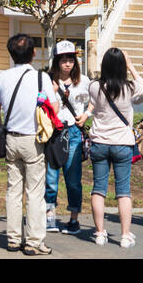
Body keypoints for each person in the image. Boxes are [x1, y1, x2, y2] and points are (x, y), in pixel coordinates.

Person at [0, 33, 54, 255]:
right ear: (33, 53)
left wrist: (0, 127)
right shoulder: (41, 78)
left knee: (13, 189)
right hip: (34, 139)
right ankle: (34, 241)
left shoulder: (2, 77)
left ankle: (13, 238)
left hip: (11, 137)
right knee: (35, 192)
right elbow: (53, 107)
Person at [86, 47, 143, 248]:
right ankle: (125, 235)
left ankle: (100, 233)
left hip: (100, 142)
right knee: (123, 191)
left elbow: (93, 105)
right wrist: (131, 66)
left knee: (98, 188)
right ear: (122, 66)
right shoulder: (129, 88)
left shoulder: (95, 86)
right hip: (122, 143)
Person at [46, 40, 89, 235]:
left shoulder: (84, 81)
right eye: (63, 59)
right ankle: (50, 215)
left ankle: (74, 218)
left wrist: (86, 114)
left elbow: (95, 100)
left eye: (70, 59)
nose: (67, 63)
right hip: (54, 132)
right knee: (51, 176)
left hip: (73, 132)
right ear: (56, 61)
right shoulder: (48, 80)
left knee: (73, 177)